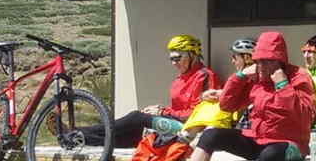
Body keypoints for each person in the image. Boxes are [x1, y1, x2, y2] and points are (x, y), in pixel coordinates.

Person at [158, 31, 315, 161]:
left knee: (271, 152)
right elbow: (227, 105)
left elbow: (304, 115)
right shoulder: (256, 79)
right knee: (211, 134)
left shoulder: (299, 77)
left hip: (290, 143)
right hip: (257, 138)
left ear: (280, 60)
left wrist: (283, 86)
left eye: (267, 61)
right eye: (258, 61)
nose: (261, 67)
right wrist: (239, 77)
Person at [81, 34, 216, 148]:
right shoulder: (179, 79)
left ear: (193, 55)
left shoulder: (205, 76)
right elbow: (178, 109)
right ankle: (80, 138)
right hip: (175, 122)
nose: (174, 63)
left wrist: (163, 112)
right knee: (129, 136)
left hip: (190, 129)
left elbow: (199, 114)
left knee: (136, 117)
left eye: (177, 58)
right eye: (171, 59)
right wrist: (159, 110)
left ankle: (81, 131)